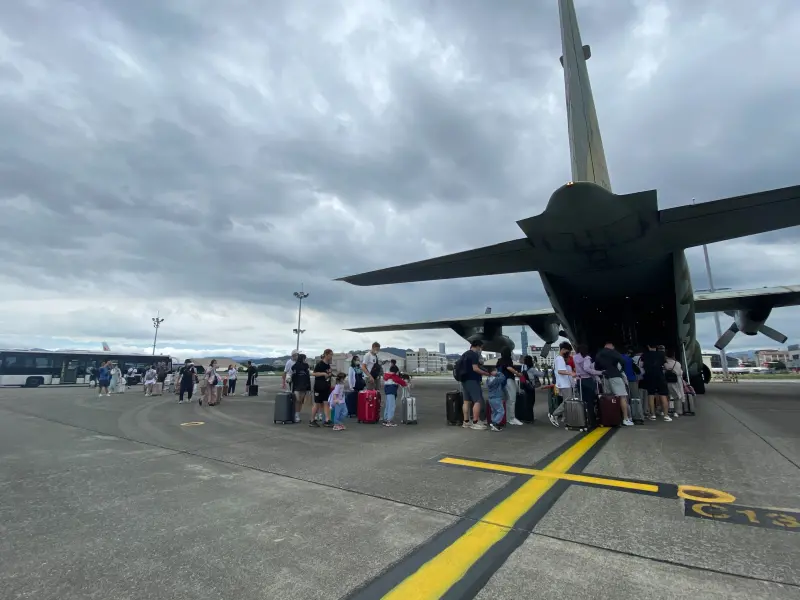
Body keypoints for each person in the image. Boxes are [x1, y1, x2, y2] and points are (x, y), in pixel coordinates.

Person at [594, 342, 634, 426]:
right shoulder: (613, 352)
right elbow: (623, 361)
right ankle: (625, 419)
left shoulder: (599, 354)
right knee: (622, 396)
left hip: (605, 377)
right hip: (615, 376)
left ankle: (609, 418)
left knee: (608, 398)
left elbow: (596, 367)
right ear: (611, 346)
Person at [458, 340, 490, 430]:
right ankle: (476, 422)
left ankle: (466, 422)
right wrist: (486, 373)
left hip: (464, 380)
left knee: (466, 401)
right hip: (472, 380)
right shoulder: (474, 355)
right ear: (478, 346)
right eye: (481, 347)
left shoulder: (465, 354)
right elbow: (475, 368)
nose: (481, 349)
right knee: (477, 400)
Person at [639, 343, 671, 422]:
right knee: (663, 395)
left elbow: (641, 366)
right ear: (656, 347)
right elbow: (667, 366)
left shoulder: (644, 355)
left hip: (649, 377)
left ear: (648, 346)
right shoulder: (661, 354)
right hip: (660, 376)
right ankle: (666, 415)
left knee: (651, 395)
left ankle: (652, 415)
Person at [548, 342, 577, 427]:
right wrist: (571, 373)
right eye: (568, 351)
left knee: (566, 401)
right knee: (567, 401)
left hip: (562, 383)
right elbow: (560, 371)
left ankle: (565, 419)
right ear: (563, 350)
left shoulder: (557, 358)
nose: (568, 353)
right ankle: (554, 414)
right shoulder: (560, 359)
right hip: (564, 384)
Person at [496, 347, 524, 426]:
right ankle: (511, 418)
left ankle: (504, 418)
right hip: (508, 380)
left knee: (504, 400)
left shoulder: (499, 361)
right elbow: (509, 368)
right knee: (511, 399)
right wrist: (517, 373)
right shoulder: (507, 360)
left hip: (501, 382)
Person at [311, 349, 334, 427]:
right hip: (319, 386)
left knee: (326, 403)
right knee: (317, 404)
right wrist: (323, 374)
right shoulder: (320, 364)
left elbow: (329, 374)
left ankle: (327, 420)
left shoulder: (328, 365)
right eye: (330, 354)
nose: (331, 356)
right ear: (326, 354)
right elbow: (313, 373)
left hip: (326, 386)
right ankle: (312, 420)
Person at [291, 354, 312, 423]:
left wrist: (308, 387)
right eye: (305, 358)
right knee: (297, 400)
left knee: (300, 401)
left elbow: (308, 376)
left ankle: (298, 414)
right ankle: (296, 415)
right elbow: (293, 376)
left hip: (304, 386)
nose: (305, 360)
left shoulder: (306, 366)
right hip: (297, 386)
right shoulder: (295, 366)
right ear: (302, 358)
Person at [485, 367, 507, 432]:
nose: (497, 372)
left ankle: (493, 424)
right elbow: (503, 377)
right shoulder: (496, 379)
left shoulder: (488, 379)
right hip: (496, 397)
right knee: (501, 411)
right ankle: (495, 423)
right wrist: (499, 373)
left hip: (490, 398)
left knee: (494, 411)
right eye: (495, 371)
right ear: (492, 372)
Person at [664, 349, 684, 417]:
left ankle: (665, 410)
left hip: (666, 381)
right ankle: (676, 411)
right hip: (675, 382)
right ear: (673, 355)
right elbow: (680, 373)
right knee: (677, 397)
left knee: (666, 396)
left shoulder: (665, 363)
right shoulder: (677, 363)